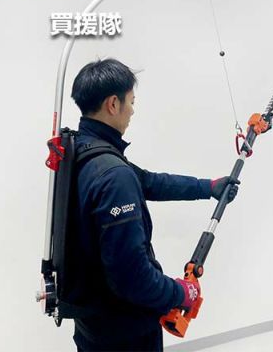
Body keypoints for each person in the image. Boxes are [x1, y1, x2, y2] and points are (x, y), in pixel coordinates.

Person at [69, 58, 239, 351]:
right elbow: (132, 278)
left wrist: (208, 187)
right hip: (126, 336)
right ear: (113, 104)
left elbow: (148, 181)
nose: (133, 111)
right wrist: (180, 292)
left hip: (93, 327)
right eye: (131, 102)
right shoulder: (112, 175)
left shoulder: (81, 153)